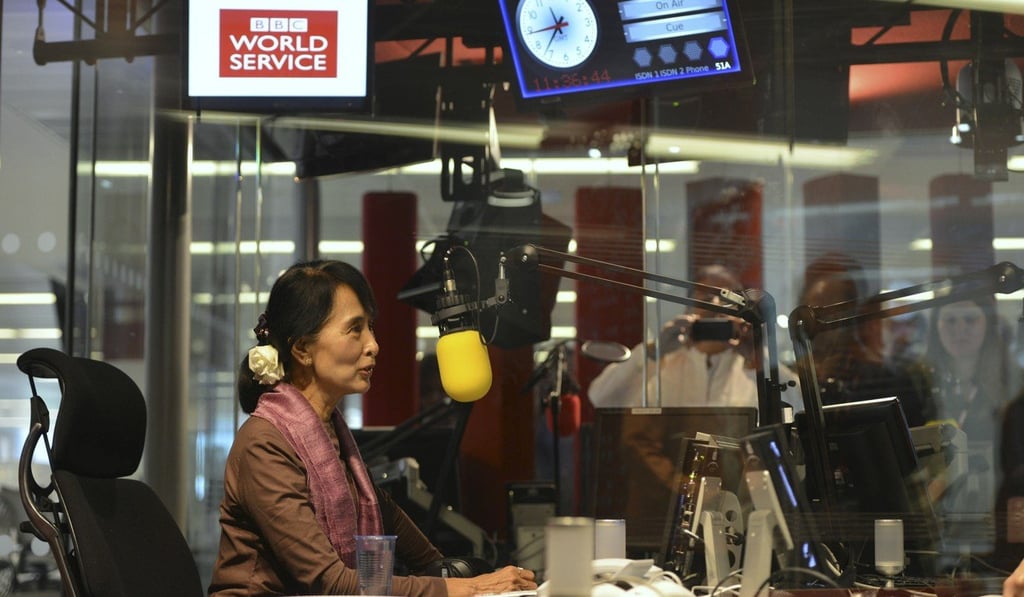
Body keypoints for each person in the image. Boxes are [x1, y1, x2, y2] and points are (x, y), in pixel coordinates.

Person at [208, 260, 537, 597]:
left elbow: (388, 516)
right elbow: (331, 582)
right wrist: (462, 588)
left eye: (371, 327)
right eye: (355, 329)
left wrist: (454, 574)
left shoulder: (329, 435)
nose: (373, 344)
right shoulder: (264, 445)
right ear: (303, 349)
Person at [587, 264, 802, 415]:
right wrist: (653, 352)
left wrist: (758, 360)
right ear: (691, 305)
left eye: (726, 298)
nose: (716, 304)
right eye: (708, 297)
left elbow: (799, 407)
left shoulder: (750, 365)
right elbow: (601, 399)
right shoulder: (664, 362)